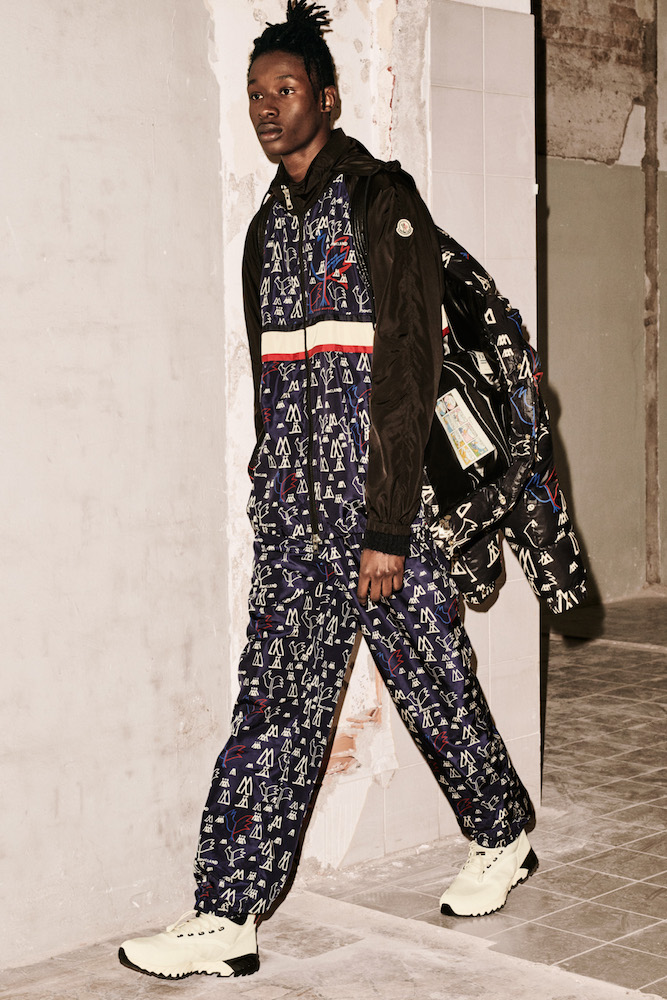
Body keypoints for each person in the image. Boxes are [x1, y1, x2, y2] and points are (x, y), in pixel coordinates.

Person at [119, 0, 537, 982]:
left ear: (328, 97)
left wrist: (387, 525)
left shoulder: (381, 199)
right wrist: (270, 489)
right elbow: (274, 384)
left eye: (285, 89)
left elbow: (407, 372)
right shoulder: (264, 230)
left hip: (385, 516)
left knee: (435, 685)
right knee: (271, 707)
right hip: (295, 522)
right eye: (255, 94)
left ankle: (501, 834)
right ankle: (226, 913)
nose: (267, 108)